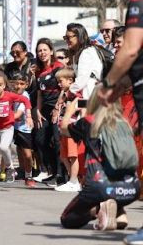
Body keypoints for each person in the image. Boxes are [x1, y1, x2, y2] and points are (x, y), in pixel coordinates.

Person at [60, 91, 139, 232]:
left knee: (67, 218)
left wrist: (69, 112)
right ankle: (119, 213)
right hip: (132, 189)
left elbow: (64, 129)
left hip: (100, 187)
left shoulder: (89, 122)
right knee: (114, 184)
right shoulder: (125, 123)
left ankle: (97, 209)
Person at [0, 71, 32, 191]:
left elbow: (25, 100)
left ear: (4, 86)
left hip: (7, 128)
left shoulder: (9, 95)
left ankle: (10, 167)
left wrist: (28, 115)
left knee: (3, 147)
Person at [33, 38, 64, 184]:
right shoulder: (39, 71)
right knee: (40, 139)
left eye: (45, 49)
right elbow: (39, 93)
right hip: (44, 109)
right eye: (39, 50)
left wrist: (58, 107)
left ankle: (61, 173)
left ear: (51, 51)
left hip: (58, 107)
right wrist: (38, 110)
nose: (42, 53)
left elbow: (65, 88)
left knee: (58, 141)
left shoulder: (58, 67)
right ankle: (48, 170)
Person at [65, 23, 103, 101]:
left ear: (79, 37)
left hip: (91, 94)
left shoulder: (86, 52)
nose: (66, 40)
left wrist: (67, 93)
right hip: (88, 94)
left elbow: (81, 80)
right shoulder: (79, 53)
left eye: (69, 37)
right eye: (65, 37)